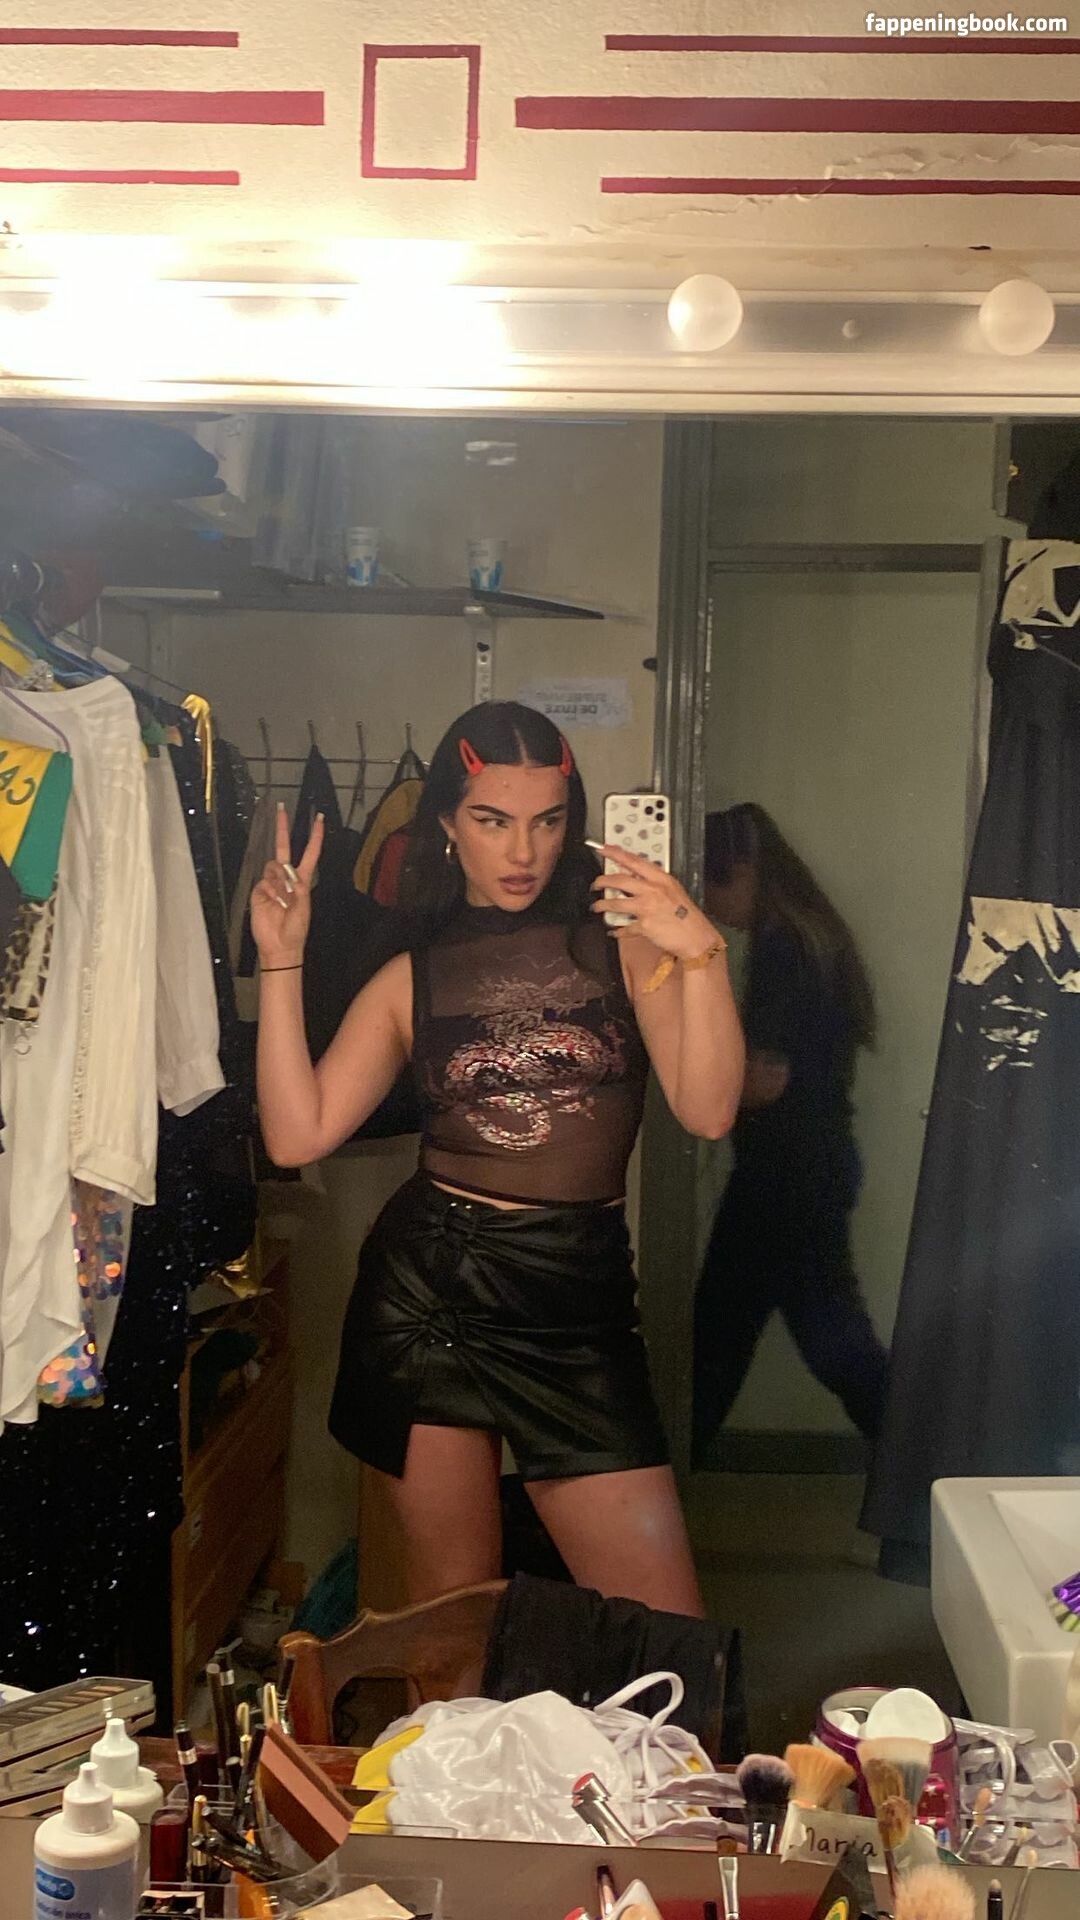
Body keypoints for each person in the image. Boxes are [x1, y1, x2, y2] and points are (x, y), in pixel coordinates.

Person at [254, 703, 744, 1614]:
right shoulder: (412, 973)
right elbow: (297, 1135)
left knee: (663, 1632)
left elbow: (708, 1110)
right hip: (430, 1291)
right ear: (447, 821)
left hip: (578, 1297)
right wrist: (280, 959)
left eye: (548, 821)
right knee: (456, 1631)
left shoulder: (627, 943)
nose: (524, 851)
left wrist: (701, 950)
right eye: (493, 820)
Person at [692, 803, 889, 1462]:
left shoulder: (788, 950)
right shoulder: (809, 941)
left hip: (786, 1172)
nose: (709, 904)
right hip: (808, 1163)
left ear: (743, 871)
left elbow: (765, 1078)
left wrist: (688, 1075)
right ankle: (922, 1467)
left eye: (712, 884)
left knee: (727, 1338)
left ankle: (923, 1467)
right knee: (823, 1339)